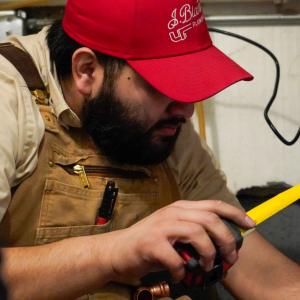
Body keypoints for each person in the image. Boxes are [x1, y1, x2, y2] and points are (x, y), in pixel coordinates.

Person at [0, 0, 299, 299]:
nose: (187, 110)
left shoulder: (162, 126)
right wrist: (116, 252)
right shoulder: (8, 97)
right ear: (87, 70)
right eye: (163, 85)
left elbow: (260, 273)